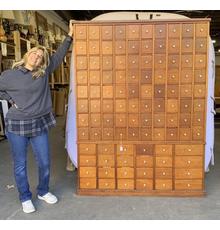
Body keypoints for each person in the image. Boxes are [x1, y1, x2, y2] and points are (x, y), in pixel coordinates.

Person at [0, 20, 74, 214]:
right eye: (34, 52)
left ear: (42, 61)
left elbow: (57, 58)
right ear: (27, 55)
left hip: (39, 122)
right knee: (20, 164)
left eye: (40, 56)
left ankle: (43, 191)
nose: (36, 56)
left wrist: (69, 37)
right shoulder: (9, 75)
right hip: (17, 125)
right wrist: (10, 100)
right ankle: (25, 197)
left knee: (44, 161)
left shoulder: (42, 74)